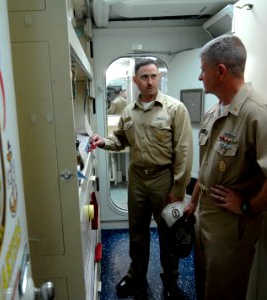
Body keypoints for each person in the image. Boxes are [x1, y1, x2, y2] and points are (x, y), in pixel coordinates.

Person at [183, 35, 267, 300]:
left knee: (224, 293)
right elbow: (207, 166)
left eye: (202, 70)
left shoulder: (258, 112)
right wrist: (193, 203)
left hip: (232, 229)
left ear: (220, 71)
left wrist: (248, 205)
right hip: (203, 219)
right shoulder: (214, 112)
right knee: (205, 287)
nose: (199, 77)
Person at [89, 59, 193, 299]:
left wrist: (178, 187)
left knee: (169, 233)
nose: (150, 81)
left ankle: (170, 281)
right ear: (135, 80)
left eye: (154, 76)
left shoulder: (174, 109)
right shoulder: (128, 111)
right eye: (144, 77)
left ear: (159, 78)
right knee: (137, 231)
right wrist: (102, 142)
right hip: (137, 178)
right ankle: (136, 275)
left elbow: (184, 151)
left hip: (163, 178)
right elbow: (121, 141)